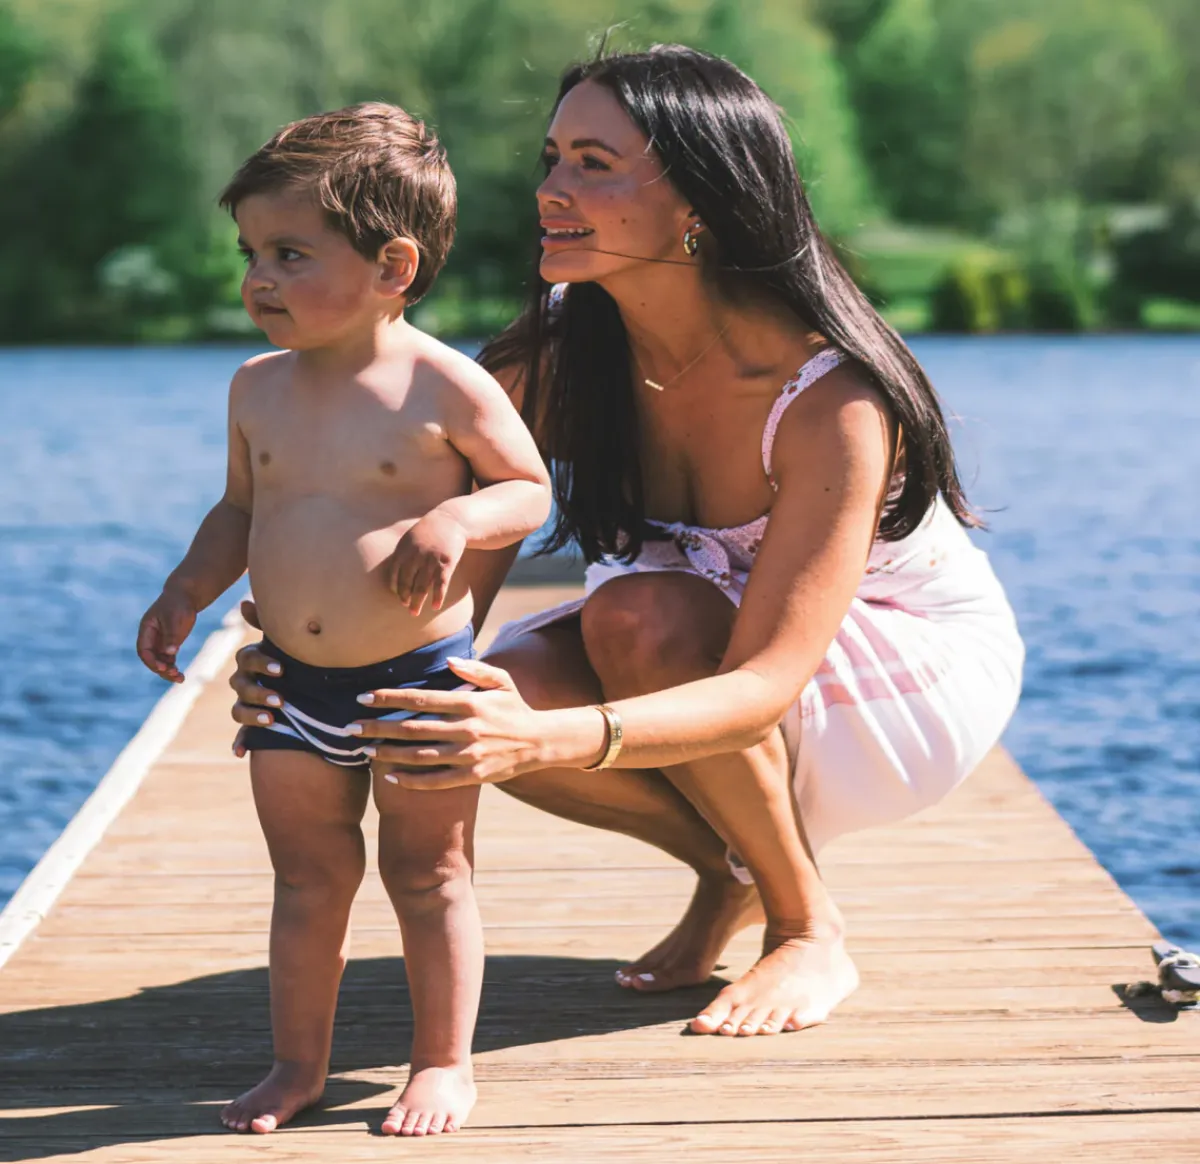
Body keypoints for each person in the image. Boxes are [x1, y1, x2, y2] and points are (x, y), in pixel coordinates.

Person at [231, 47, 1024, 1044]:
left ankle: (807, 921)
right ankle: (728, 873)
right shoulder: (555, 357)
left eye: (594, 163)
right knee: (469, 697)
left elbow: (769, 682)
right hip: (691, 634)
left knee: (635, 620)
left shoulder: (830, 398)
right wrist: (315, 670)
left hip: (898, 671)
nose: (550, 191)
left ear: (700, 196)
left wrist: (547, 736)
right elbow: (434, 597)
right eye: (551, 158)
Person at [136, 103, 551, 1138]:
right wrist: (186, 589)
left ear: (394, 267)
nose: (258, 279)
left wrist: (457, 515)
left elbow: (529, 492)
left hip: (415, 675)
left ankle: (443, 1063)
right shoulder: (255, 388)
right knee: (306, 878)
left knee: (430, 871)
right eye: (249, 254)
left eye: (288, 253)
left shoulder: (440, 382)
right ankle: (296, 1065)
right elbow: (242, 510)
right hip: (291, 683)